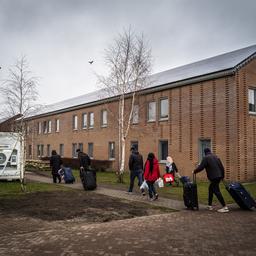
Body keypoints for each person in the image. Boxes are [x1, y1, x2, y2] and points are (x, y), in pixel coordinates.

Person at [193, 148, 229, 213]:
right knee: (211, 189)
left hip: (214, 177)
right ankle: (209, 205)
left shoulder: (206, 158)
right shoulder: (216, 157)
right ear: (210, 151)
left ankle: (225, 207)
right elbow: (222, 167)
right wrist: (222, 176)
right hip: (219, 176)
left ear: (205, 152)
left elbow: (201, 167)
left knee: (216, 191)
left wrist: (194, 171)